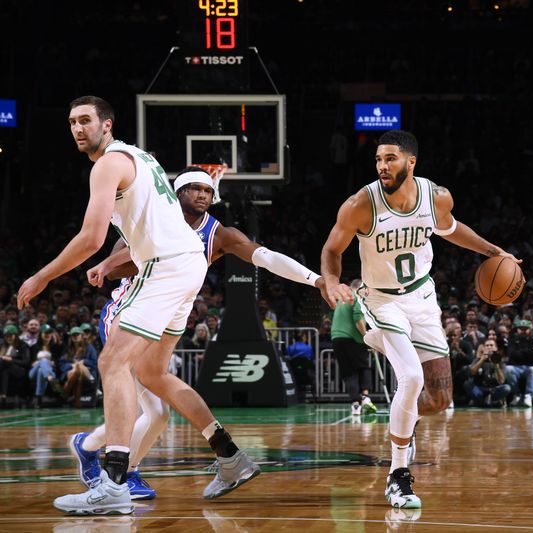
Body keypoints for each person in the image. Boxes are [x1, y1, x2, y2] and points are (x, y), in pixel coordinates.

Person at [14, 96, 254, 515]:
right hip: (187, 263)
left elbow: (90, 238)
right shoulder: (139, 155)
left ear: (107, 124)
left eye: (86, 120)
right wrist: (110, 262)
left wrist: (42, 275)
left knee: (112, 363)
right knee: (152, 373)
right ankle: (230, 457)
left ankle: (114, 483)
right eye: (72, 122)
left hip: (164, 266)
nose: (78, 128)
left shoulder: (108, 163)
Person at [71, 165, 331, 501]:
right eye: (195, 189)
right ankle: (118, 468)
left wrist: (315, 280)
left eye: (208, 191)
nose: (203, 196)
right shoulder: (153, 219)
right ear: (177, 194)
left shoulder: (218, 233)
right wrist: (115, 261)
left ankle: (115, 459)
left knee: (156, 399)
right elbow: (114, 268)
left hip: (171, 312)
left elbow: (266, 257)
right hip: (132, 310)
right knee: (154, 412)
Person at [321, 130, 519, 509]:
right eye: (379, 159)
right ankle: (398, 477)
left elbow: (452, 229)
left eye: (390, 159)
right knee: (411, 379)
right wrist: (331, 281)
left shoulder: (437, 197)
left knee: (438, 399)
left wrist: (493, 251)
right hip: (381, 299)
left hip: (422, 297)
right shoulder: (360, 204)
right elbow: (332, 249)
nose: (382, 166)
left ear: (411, 162)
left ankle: (403, 422)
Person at [331, 278, 376, 416]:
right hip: (352, 339)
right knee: (364, 367)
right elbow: (358, 320)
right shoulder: (357, 297)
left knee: (349, 372)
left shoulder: (342, 300)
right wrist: (368, 338)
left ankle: (355, 404)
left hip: (336, 338)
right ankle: (366, 398)